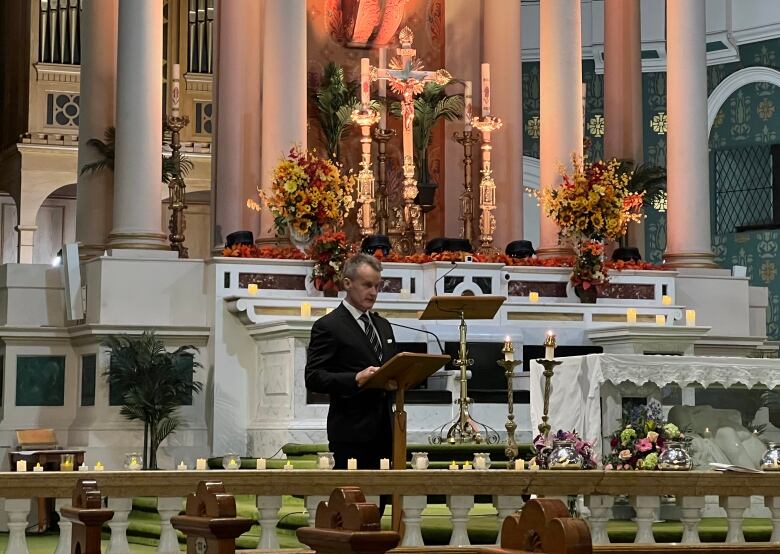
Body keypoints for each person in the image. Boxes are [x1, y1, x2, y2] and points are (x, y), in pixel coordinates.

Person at [305, 253, 398, 470]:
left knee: (382, 498)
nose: (373, 292)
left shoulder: (383, 326)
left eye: (377, 286)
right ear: (347, 283)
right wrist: (356, 378)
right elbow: (314, 377)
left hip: (386, 430)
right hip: (351, 432)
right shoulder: (329, 326)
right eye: (367, 285)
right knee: (356, 500)